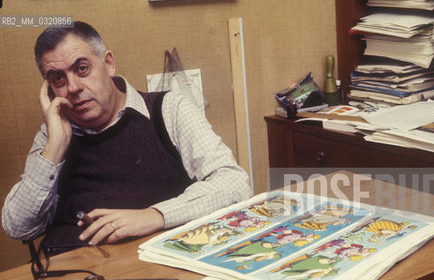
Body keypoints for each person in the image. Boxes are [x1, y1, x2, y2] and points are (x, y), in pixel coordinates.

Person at [1, 21, 251, 249]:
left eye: (82, 69)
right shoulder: (52, 135)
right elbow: (19, 227)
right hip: (76, 274)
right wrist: (54, 150)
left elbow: (234, 183)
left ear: (108, 63)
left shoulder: (168, 109)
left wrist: (155, 215)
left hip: (159, 261)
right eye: (58, 79)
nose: (73, 87)